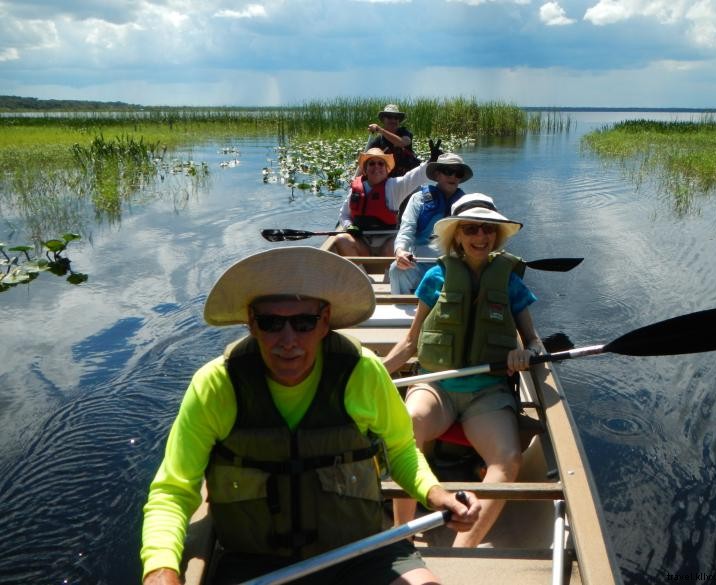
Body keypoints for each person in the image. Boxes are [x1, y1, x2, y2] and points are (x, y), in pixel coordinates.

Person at [140, 247, 481, 585]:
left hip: (360, 551)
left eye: (304, 322)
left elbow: (402, 450)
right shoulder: (216, 385)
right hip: (256, 564)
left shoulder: (363, 372)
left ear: (325, 321)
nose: (288, 341)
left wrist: (437, 495)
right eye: (271, 323)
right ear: (251, 324)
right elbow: (173, 491)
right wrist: (160, 570)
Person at [382, 194, 545, 547]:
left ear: (497, 235)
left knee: (508, 460)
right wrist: (379, 371)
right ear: (457, 234)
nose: (480, 236)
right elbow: (411, 343)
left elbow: (534, 341)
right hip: (436, 385)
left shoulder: (511, 283)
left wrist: (525, 352)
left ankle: (463, 551)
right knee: (406, 429)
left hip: (487, 392)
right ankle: (402, 539)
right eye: (471, 228)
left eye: (488, 229)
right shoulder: (435, 278)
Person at [333, 140, 442, 257]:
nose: (376, 167)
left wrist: (431, 162)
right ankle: (360, 273)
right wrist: (349, 225)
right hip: (362, 241)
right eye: (372, 163)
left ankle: (387, 274)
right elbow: (344, 215)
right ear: (365, 169)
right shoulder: (355, 189)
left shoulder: (394, 186)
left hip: (388, 240)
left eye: (381, 164)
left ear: (386, 169)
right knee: (341, 239)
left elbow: (415, 176)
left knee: (395, 246)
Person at [388, 152, 473, 294]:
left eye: (457, 173)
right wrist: (400, 250)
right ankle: (405, 310)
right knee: (396, 269)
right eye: (448, 171)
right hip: (421, 263)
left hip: (453, 265)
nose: (452, 176)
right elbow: (406, 229)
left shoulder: (467, 203)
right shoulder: (418, 198)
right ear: (437, 174)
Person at [367, 104, 421, 177]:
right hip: (389, 180)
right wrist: (356, 178)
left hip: (409, 178)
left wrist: (380, 129)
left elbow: (403, 142)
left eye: (396, 118)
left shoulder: (404, 132)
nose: (393, 120)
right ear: (383, 119)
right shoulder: (379, 140)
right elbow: (366, 158)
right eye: (389, 117)